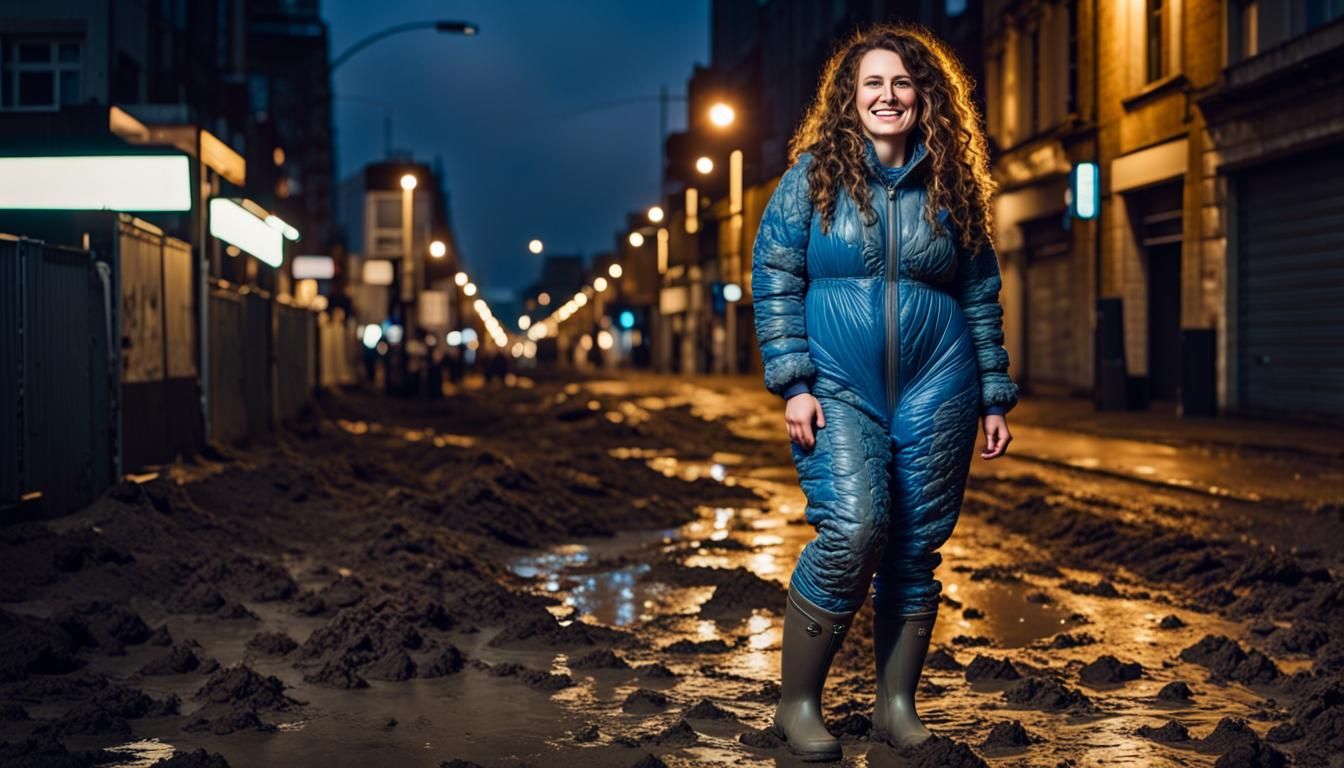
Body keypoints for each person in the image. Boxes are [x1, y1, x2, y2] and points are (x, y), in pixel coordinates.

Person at [751, 22, 1017, 761]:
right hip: (836, 383)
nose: (888, 96)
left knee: (915, 547)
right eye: (873, 83)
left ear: (924, 98)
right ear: (850, 98)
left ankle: (896, 705)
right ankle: (797, 704)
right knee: (854, 529)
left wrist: (993, 391)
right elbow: (774, 277)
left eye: (902, 83)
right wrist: (794, 380)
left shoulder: (953, 186)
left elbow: (980, 293)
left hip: (941, 383)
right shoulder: (811, 178)